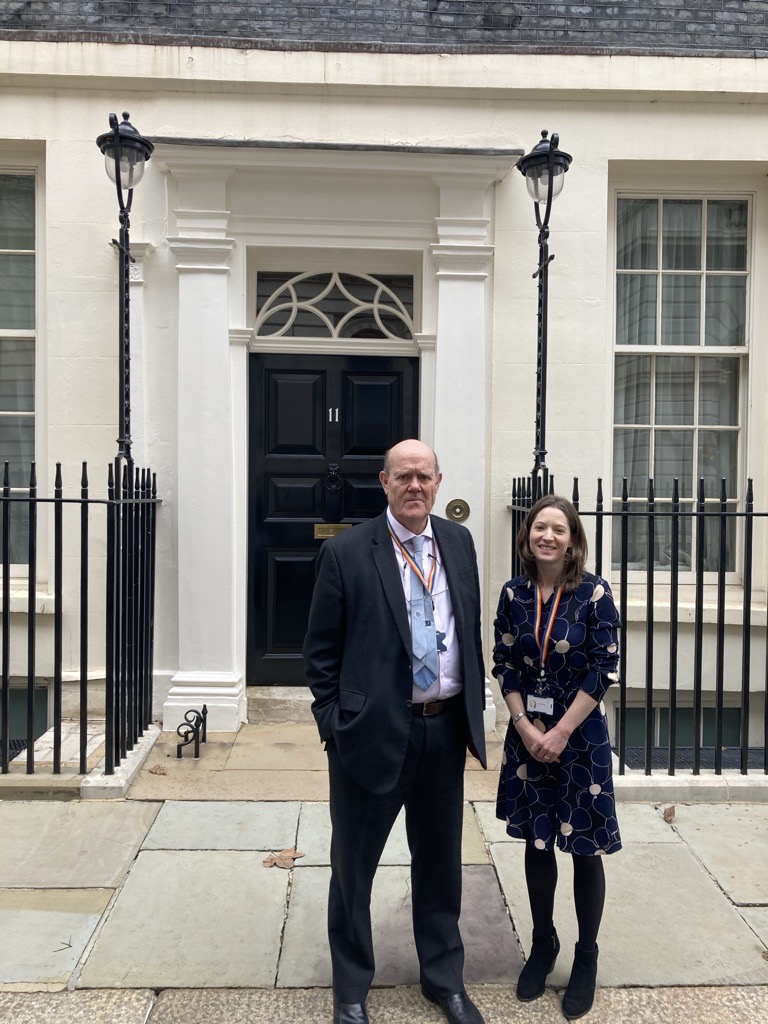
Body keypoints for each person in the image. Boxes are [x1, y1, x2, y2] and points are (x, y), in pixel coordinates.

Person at [304, 439, 488, 1024]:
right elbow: (320, 654)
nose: (414, 486)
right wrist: (336, 724)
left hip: (443, 731)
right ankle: (352, 989)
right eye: (403, 476)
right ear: (384, 483)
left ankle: (444, 979)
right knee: (353, 867)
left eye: (424, 476)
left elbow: (469, 627)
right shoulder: (350, 551)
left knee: (439, 864)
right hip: (373, 733)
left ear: (439, 482)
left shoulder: (457, 542)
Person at [492, 494, 621, 1021]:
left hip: (579, 739)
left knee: (583, 848)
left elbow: (603, 667)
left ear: (573, 540)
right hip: (528, 735)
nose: (547, 536)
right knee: (537, 840)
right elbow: (503, 661)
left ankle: (585, 956)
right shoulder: (514, 593)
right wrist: (524, 725)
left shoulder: (594, 593)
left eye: (558, 529)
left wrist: (562, 730)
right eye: (538, 527)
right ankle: (542, 943)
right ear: (527, 538)